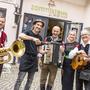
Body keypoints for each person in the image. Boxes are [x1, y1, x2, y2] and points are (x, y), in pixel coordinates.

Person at [14, 19, 45, 90]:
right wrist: (33, 38)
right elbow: (20, 35)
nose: (39, 26)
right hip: (25, 58)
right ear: (34, 25)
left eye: (40, 26)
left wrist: (44, 52)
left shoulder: (40, 37)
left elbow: (40, 50)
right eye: (37, 24)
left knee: (30, 81)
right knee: (20, 79)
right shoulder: (28, 32)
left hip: (34, 60)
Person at [39, 26, 64, 90]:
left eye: (57, 31)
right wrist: (39, 58)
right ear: (52, 31)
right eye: (54, 31)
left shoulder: (61, 41)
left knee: (52, 79)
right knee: (42, 78)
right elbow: (41, 49)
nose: (55, 32)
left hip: (54, 63)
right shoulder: (47, 39)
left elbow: (63, 53)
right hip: (45, 61)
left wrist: (62, 49)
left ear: (59, 32)